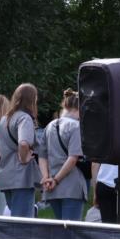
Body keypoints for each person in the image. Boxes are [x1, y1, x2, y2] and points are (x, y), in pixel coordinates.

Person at [0, 83, 50, 218]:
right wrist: (23, 158)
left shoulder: (4, 119)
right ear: (32, 100)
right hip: (21, 176)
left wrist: (5, 153)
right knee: (23, 221)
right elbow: (24, 143)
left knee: (15, 217)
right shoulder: (24, 118)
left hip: (5, 173)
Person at [42, 89, 87, 221]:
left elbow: (42, 156)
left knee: (61, 232)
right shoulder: (76, 127)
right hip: (71, 186)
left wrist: (46, 178)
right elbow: (73, 158)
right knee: (71, 232)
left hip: (52, 189)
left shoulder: (49, 126)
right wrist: (56, 180)